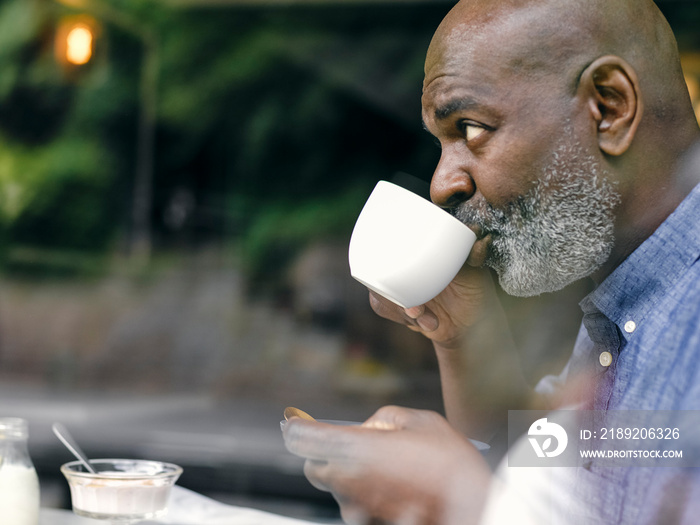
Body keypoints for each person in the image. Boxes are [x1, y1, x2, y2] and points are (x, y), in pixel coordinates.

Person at [283, 0, 700, 523]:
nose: (442, 185)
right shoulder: (628, 299)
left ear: (609, 108)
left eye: (472, 129)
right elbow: (553, 483)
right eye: (442, 144)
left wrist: (466, 503)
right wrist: (464, 337)